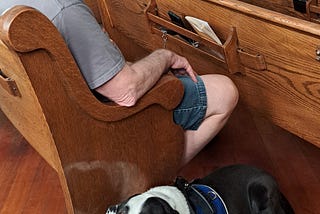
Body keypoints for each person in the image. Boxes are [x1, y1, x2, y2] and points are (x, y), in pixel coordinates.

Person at [0, 0, 238, 165]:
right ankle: (151, 177)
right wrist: (166, 57)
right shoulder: (63, 9)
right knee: (225, 91)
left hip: (51, 124)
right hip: (95, 129)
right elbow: (126, 92)